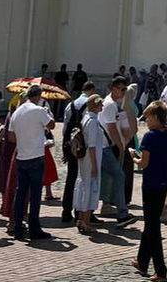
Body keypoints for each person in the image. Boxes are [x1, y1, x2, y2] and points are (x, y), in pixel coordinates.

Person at [132, 101, 167, 282]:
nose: (146, 120)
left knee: (152, 226)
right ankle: (142, 261)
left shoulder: (149, 137)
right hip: (163, 183)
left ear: (155, 117)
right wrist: (166, 161)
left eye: (148, 117)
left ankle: (160, 269)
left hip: (150, 183)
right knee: (151, 221)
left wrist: (134, 158)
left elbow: (144, 163)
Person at [7, 83, 55, 241]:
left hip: (21, 157)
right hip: (36, 156)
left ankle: (18, 227)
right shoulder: (39, 110)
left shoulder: (17, 112)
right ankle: (34, 228)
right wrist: (47, 114)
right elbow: (52, 125)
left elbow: (12, 137)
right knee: (35, 195)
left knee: (20, 194)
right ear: (38, 96)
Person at [99, 76, 134, 227]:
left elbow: (125, 129)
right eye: (122, 89)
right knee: (118, 176)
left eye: (125, 89)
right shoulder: (109, 105)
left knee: (109, 178)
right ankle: (122, 213)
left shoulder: (116, 105)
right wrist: (120, 147)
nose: (124, 92)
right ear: (113, 88)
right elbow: (112, 129)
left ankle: (112, 209)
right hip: (106, 147)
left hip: (110, 146)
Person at [61, 80, 96, 223]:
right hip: (83, 147)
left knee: (71, 178)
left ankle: (66, 210)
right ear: (92, 91)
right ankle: (81, 211)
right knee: (83, 179)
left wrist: (66, 148)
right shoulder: (90, 105)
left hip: (70, 145)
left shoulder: (71, 105)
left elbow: (65, 128)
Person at [74, 94, 104, 234]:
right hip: (91, 158)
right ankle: (85, 220)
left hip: (84, 158)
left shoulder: (86, 117)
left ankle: (81, 218)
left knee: (82, 185)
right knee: (89, 188)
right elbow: (92, 145)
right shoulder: (92, 121)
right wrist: (94, 164)